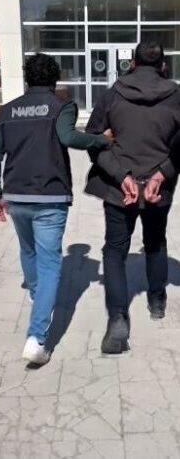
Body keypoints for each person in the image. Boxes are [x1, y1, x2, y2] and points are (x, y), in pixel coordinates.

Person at [0, 53, 112, 365]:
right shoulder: (61, 107)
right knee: (49, 265)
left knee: (28, 251)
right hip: (49, 198)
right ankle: (36, 338)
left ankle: (36, 295)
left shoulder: (6, 110)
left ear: (27, 79)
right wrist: (102, 140)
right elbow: (69, 137)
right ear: (55, 79)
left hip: (15, 195)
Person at [84, 41, 180, 354]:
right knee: (155, 243)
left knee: (114, 250)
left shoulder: (113, 94)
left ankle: (117, 319)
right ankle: (156, 301)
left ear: (133, 64)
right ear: (163, 66)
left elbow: (93, 142)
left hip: (117, 187)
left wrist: (122, 176)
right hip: (158, 189)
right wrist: (160, 174)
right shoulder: (176, 96)